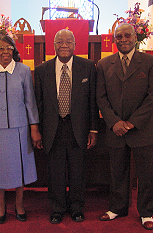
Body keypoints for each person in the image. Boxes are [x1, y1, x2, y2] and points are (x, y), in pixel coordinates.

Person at [96, 23, 153, 230]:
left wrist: (132, 122)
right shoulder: (104, 64)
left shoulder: (151, 62)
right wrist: (114, 122)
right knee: (117, 172)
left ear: (135, 37)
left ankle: (146, 212)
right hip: (115, 129)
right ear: (114, 39)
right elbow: (101, 97)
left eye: (127, 35)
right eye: (118, 36)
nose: (123, 39)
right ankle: (117, 208)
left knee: (146, 173)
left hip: (141, 128)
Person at [34, 29, 99, 224]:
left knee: (78, 171)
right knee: (55, 173)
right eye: (59, 41)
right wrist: (36, 129)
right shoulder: (42, 70)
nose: (64, 44)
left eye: (68, 41)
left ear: (75, 45)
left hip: (78, 128)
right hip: (52, 129)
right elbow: (38, 103)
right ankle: (57, 208)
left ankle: (77, 208)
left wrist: (93, 129)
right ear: (53, 46)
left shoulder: (87, 67)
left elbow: (93, 101)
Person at [0, 35, 41, 224]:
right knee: (0, 170)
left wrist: (34, 128)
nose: (6, 51)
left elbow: (30, 102)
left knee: (19, 169)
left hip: (19, 129)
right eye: (1, 48)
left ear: (14, 50)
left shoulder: (24, 71)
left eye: (9, 48)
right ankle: (2, 206)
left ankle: (20, 204)